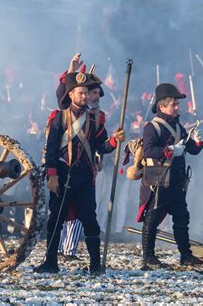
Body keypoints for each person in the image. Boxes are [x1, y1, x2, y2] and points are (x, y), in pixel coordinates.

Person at [34, 71, 125, 275]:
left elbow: (101, 146)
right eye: (80, 93)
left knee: (90, 220)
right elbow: (51, 149)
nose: (84, 97)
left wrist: (114, 141)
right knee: (55, 219)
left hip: (84, 177)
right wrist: (52, 175)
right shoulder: (59, 118)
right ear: (71, 94)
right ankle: (50, 262)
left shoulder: (94, 120)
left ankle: (95, 265)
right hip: (63, 174)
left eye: (86, 93)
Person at [138, 83, 203, 271]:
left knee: (181, 218)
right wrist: (169, 150)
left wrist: (199, 141)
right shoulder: (152, 127)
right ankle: (148, 257)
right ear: (162, 106)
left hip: (176, 181)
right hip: (158, 180)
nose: (177, 107)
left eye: (177, 104)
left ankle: (185, 256)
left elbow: (190, 150)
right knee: (152, 219)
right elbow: (148, 151)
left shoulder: (178, 127)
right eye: (174, 104)